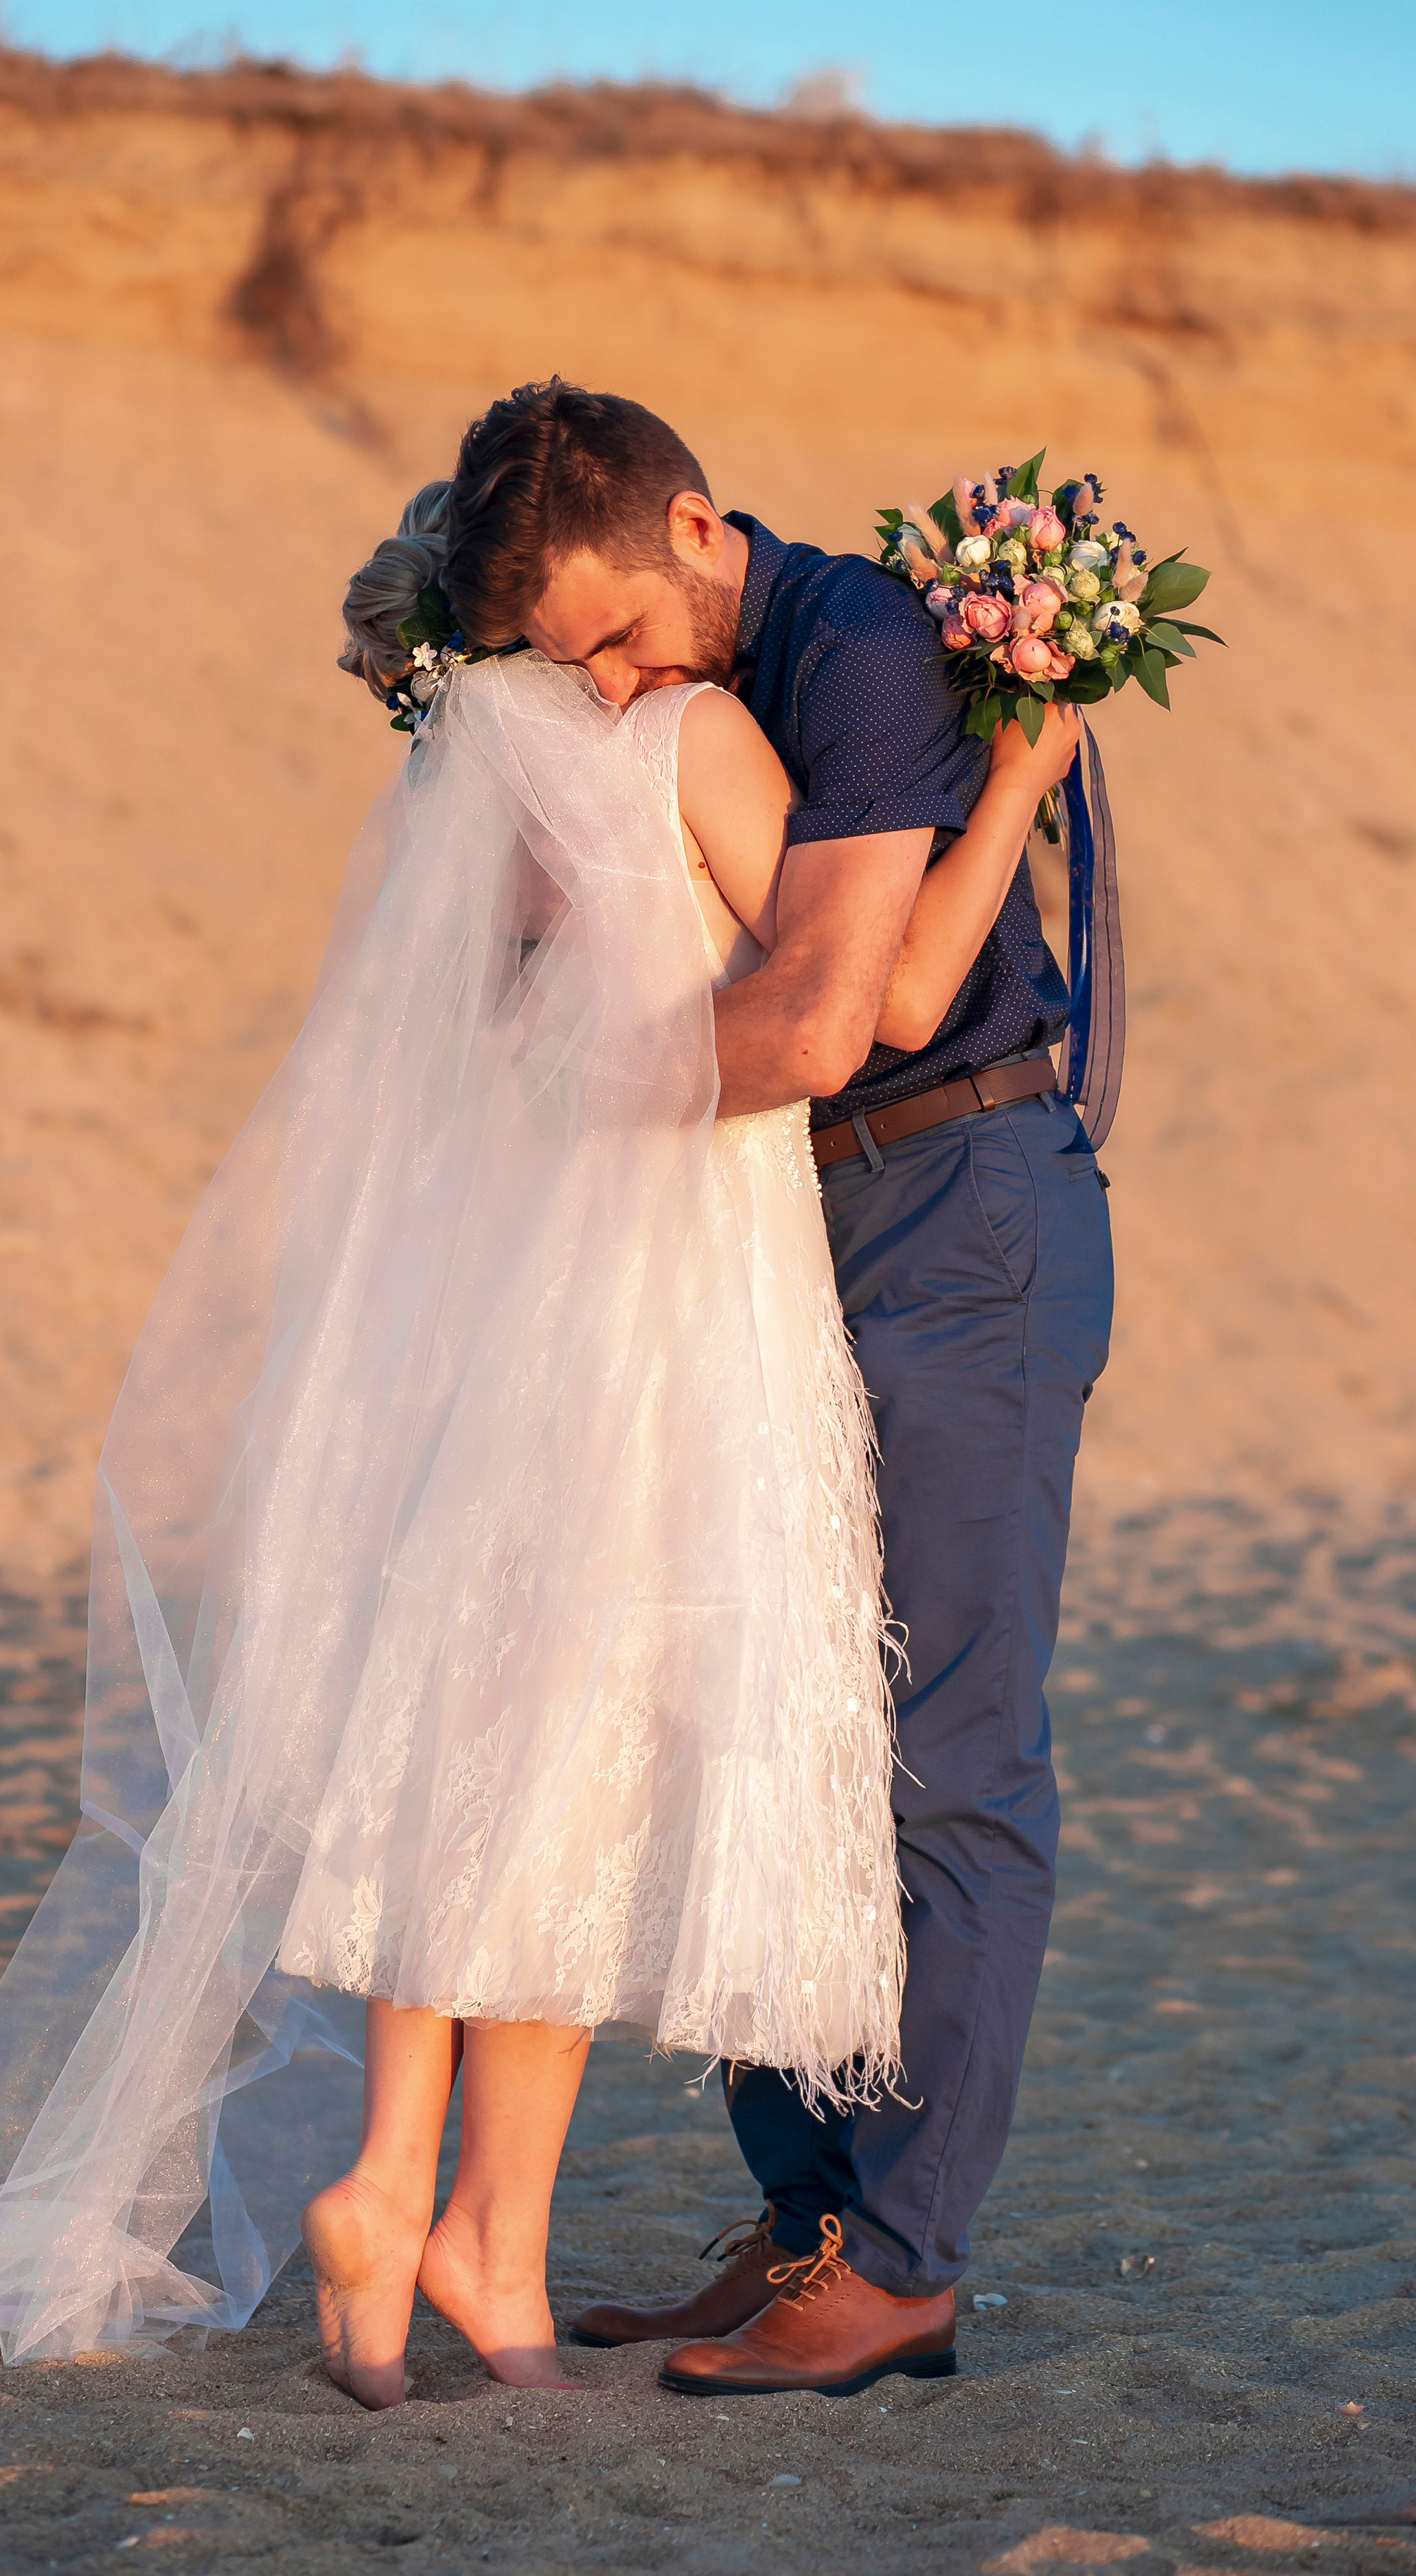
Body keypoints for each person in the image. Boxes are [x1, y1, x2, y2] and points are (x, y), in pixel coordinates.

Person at [0, 456, 1013, 2408]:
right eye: (601, 632)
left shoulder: (462, 779)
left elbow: (472, 1039)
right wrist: (1026, 783)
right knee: (577, 1734)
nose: (631, 658)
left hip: (499, 1288)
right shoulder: (692, 740)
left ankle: (427, 2211)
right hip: (669, 1289)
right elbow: (872, 1005)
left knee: (470, 1724)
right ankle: (451, 2228)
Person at [436, 381, 1112, 2397]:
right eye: (573, 668)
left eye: (624, 637)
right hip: (792, 1223)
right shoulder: (717, 680)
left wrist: (533, 1112)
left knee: (946, 1751)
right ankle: (808, 2216)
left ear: (703, 527)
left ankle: (900, 2260)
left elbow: (843, 1013)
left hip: (955, 1212)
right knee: (777, 1719)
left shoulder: (865, 647)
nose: (621, 685)